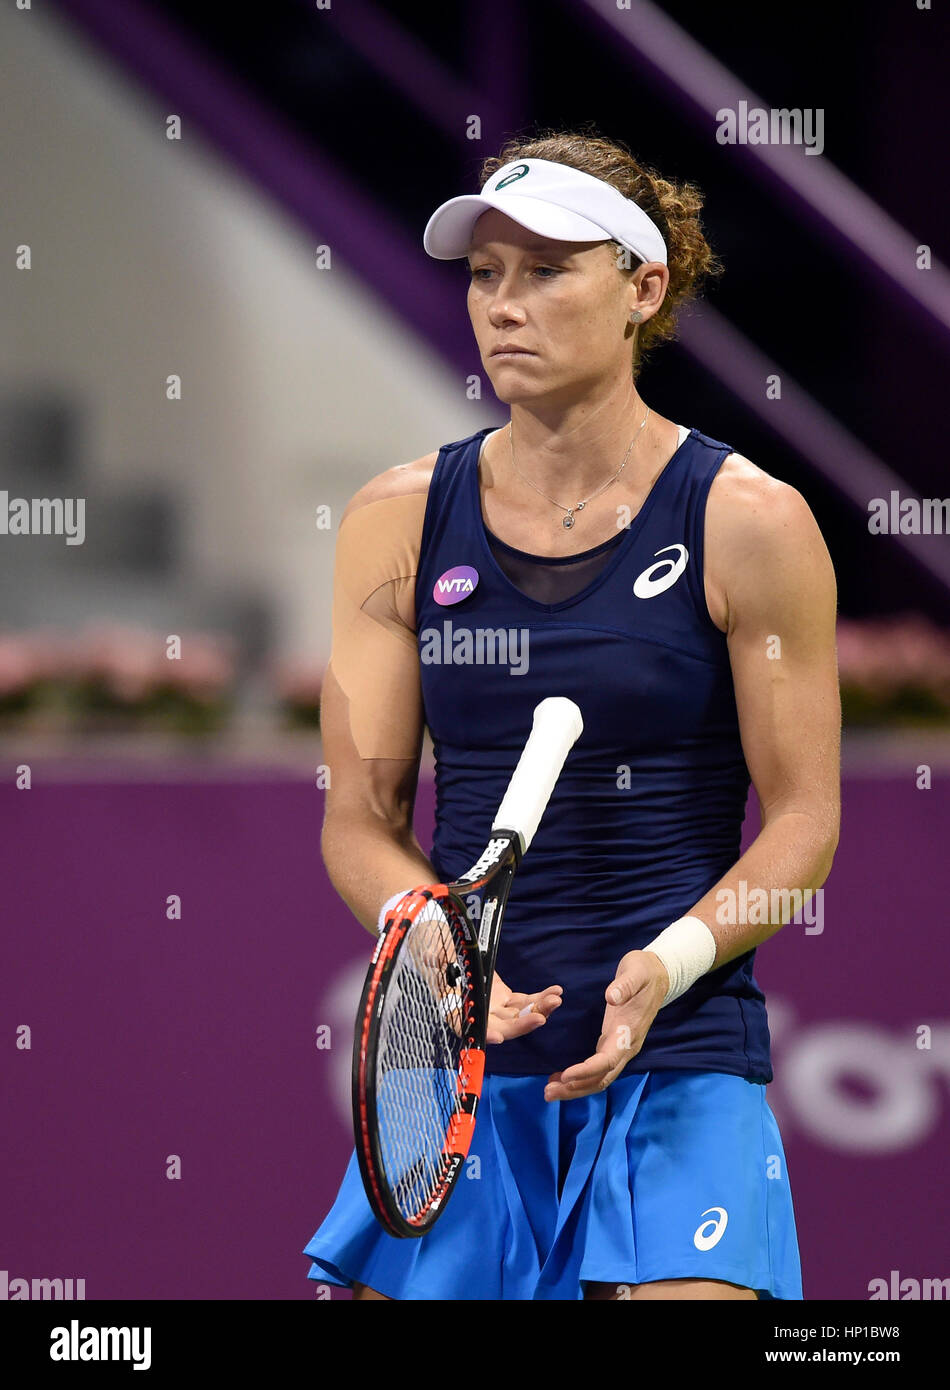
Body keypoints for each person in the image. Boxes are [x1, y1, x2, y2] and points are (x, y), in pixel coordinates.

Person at [302, 129, 840, 1301]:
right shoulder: (393, 523)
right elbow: (360, 817)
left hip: (678, 1054)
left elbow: (802, 826)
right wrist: (435, 957)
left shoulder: (748, 520)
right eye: (484, 274)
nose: (503, 305)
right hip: (457, 1072)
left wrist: (667, 961)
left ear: (643, 288)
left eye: (546, 271)